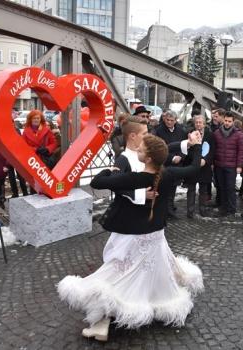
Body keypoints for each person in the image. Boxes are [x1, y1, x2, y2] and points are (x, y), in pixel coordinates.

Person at [58, 133, 204, 341]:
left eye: (142, 150)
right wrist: (196, 147)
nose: (138, 150)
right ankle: (154, 304)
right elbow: (194, 168)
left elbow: (98, 182)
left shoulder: (137, 178)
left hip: (135, 237)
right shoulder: (167, 174)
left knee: (119, 276)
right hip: (155, 236)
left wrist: (112, 169)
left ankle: (103, 320)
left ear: (150, 158)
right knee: (152, 274)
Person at [154, 110, 188, 219]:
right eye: (167, 120)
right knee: (164, 188)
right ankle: (166, 210)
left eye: (171, 120)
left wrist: (181, 157)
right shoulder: (159, 131)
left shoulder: (181, 130)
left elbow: (184, 146)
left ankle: (170, 207)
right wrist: (172, 158)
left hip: (178, 164)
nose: (169, 122)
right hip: (165, 163)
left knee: (173, 188)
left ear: (175, 120)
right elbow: (159, 149)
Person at [212, 111, 243, 217]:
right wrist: (213, 163)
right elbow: (214, 148)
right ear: (223, 120)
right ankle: (223, 208)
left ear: (233, 121)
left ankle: (231, 209)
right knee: (221, 187)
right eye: (225, 120)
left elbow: (241, 151)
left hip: (231, 166)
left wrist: (239, 165)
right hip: (219, 165)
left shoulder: (238, 134)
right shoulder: (217, 133)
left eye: (229, 121)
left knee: (230, 188)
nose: (227, 123)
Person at [183, 113, 214, 218]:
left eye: (200, 122)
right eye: (196, 122)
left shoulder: (210, 134)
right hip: (192, 165)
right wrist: (196, 159)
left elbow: (212, 150)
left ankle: (203, 209)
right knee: (191, 189)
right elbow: (187, 149)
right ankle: (190, 211)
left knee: (203, 190)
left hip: (204, 166)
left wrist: (205, 160)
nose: (198, 124)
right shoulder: (189, 133)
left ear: (204, 124)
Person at [22, 110, 58, 193]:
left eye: (38, 118)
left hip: (44, 159)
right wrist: (36, 149)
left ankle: (45, 194)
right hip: (33, 160)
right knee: (34, 182)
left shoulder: (46, 130)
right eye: (34, 118)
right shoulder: (26, 132)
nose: (36, 120)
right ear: (30, 119)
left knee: (44, 180)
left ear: (41, 119)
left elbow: (54, 142)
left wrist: (47, 149)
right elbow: (23, 146)